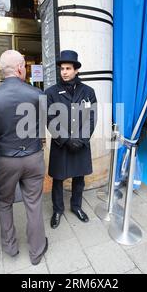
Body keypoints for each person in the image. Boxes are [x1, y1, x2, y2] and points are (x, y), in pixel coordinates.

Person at [0, 50, 48, 266]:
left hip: (6, 159)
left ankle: (10, 246)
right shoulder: (38, 94)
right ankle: (36, 252)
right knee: (33, 203)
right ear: (20, 67)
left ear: (2, 70)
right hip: (34, 157)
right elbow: (42, 125)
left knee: (4, 202)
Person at [46, 50, 97, 229]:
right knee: (58, 179)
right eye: (62, 69)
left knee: (79, 178)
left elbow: (92, 118)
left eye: (68, 68)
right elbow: (50, 120)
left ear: (76, 70)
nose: (64, 72)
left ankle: (76, 207)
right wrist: (67, 140)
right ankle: (57, 210)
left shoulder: (88, 92)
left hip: (81, 144)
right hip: (61, 145)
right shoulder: (51, 93)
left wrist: (81, 140)